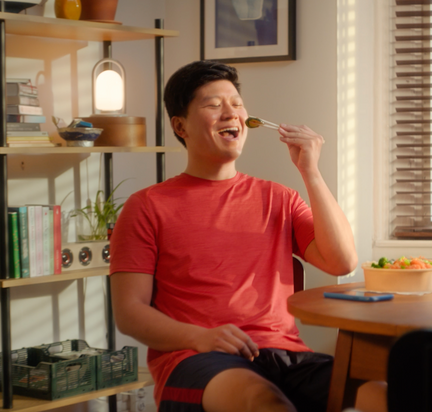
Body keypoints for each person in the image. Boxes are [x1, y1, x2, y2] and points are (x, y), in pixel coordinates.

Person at [109, 60, 358, 412]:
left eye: (237, 104)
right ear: (180, 126)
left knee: (381, 394)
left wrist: (311, 172)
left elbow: (342, 261)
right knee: (264, 402)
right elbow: (129, 313)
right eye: (214, 105)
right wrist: (200, 336)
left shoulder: (279, 198)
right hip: (196, 356)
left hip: (284, 353)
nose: (231, 113)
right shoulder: (147, 206)